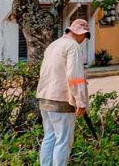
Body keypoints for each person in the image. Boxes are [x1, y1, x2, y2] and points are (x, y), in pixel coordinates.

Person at [36, 19, 90, 166]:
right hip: (61, 99)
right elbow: (75, 76)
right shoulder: (73, 47)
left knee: (49, 137)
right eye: (85, 36)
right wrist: (80, 101)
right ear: (81, 33)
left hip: (44, 98)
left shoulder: (54, 45)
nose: (84, 39)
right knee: (63, 141)